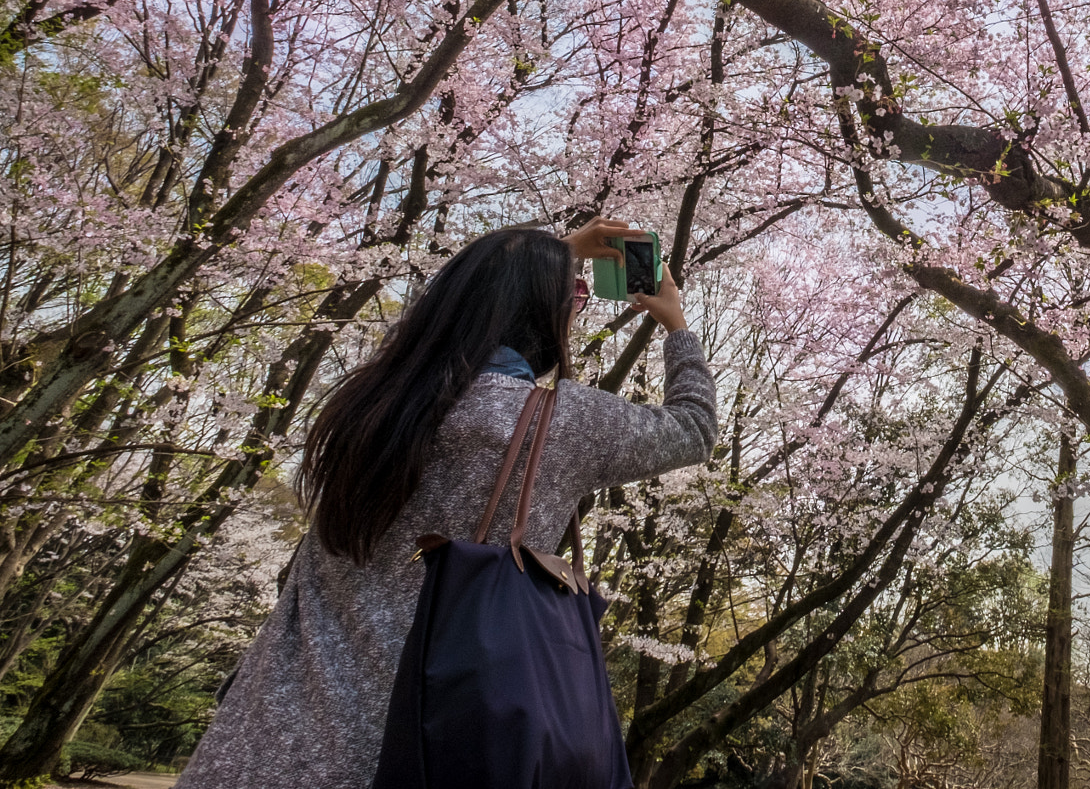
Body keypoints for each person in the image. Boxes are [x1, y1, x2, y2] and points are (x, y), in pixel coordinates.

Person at [181, 218, 716, 788]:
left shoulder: (373, 403)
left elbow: (442, 316)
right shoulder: (557, 424)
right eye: (574, 296)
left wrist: (537, 258)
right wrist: (675, 323)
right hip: (418, 750)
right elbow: (694, 428)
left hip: (261, 741)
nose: (576, 307)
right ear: (542, 312)